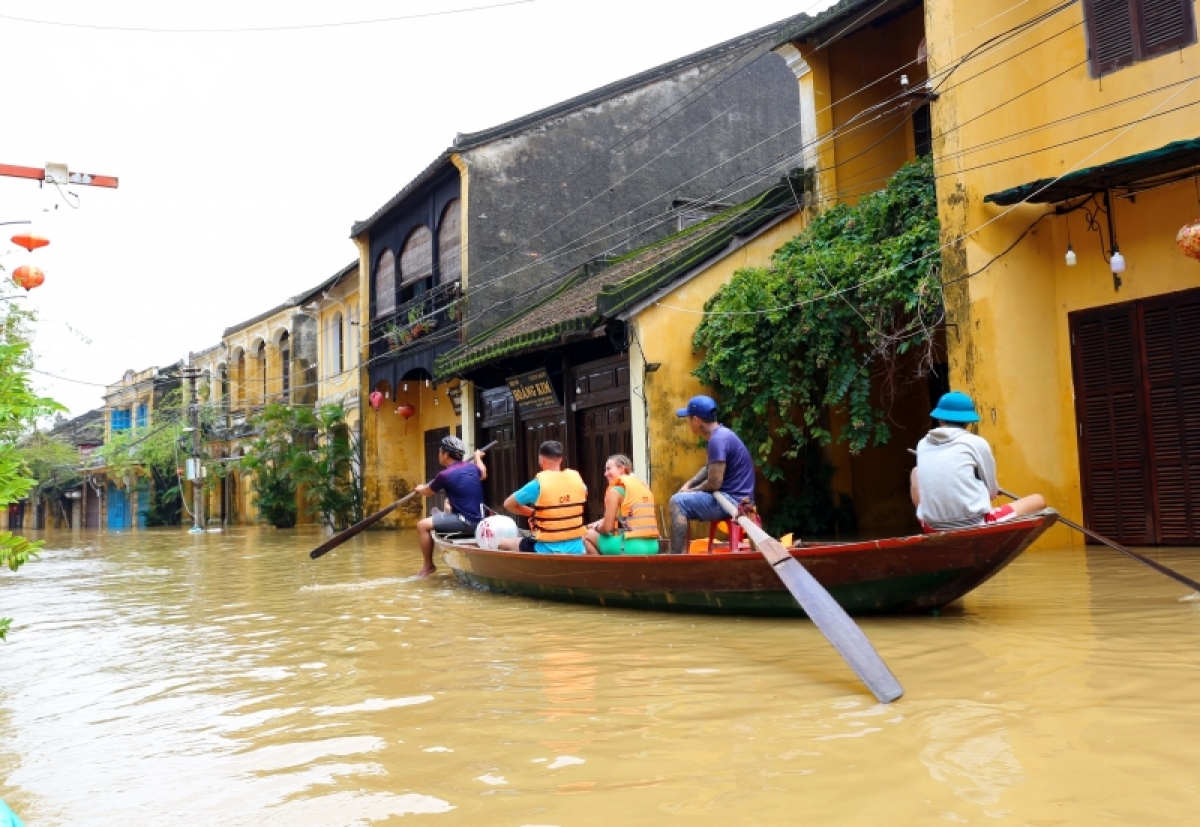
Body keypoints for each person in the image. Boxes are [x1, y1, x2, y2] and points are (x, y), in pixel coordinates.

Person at [911, 391, 1045, 532]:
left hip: (931, 526)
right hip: (977, 524)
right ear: (968, 422)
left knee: (915, 472)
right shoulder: (977, 443)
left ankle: (930, 527)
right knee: (1038, 499)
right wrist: (991, 491)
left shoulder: (922, 444)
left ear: (940, 420)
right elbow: (991, 492)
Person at [668, 394, 756, 554]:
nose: (688, 423)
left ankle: (675, 556)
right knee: (682, 496)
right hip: (734, 497)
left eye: (688, 419)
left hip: (731, 502)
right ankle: (679, 554)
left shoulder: (718, 440)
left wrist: (692, 491)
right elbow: (710, 467)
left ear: (696, 420)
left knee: (677, 502)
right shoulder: (721, 435)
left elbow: (714, 483)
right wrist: (689, 483)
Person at [414, 435, 488, 577]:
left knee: (422, 526)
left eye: (440, 451)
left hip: (467, 522)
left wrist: (419, 489)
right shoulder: (472, 468)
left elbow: (428, 492)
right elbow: (483, 473)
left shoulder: (444, 475)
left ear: (446, 454)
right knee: (448, 504)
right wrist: (477, 456)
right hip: (480, 520)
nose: (438, 454)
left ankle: (428, 565)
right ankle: (448, 515)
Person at [498, 440, 588, 555]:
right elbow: (582, 495)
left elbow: (508, 504)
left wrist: (532, 513)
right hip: (577, 548)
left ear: (541, 460)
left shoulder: (537, 485)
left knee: (503, 543)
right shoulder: (578, 482)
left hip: (547, 548)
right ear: (561, 459)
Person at [583, 454, 660, 556]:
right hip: (653, 546)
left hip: (631, 547)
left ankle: (602, 570)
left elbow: (607, 528)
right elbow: (621, 518)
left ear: (621, 469)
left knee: (585, 535)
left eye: (608, 469)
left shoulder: (615, 491)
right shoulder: (643, 487)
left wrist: (596, 528)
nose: (605, 474)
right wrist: (591, 525)